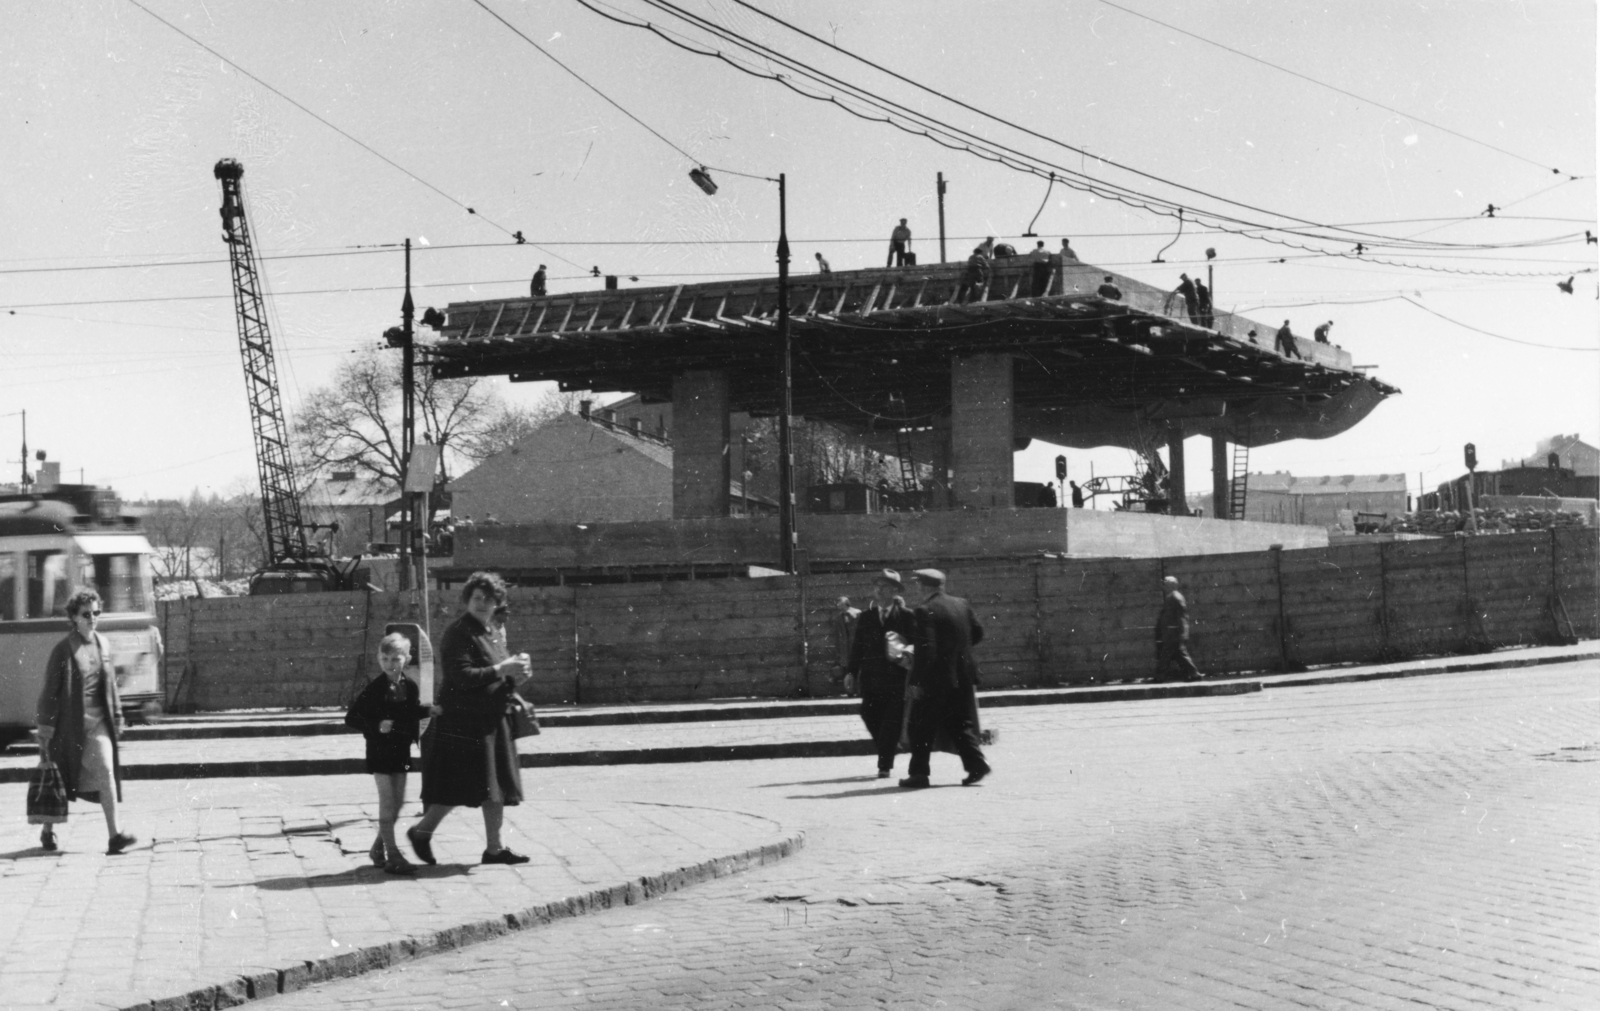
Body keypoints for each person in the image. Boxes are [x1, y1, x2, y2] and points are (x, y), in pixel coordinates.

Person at [409, 571, 533, 866]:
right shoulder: (458, 633)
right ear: (467, 599)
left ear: (497, 603)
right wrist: (504, 667)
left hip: (491, 719)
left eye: (489, 599)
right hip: (463, 721)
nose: (482, 603)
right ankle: (421, 832)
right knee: (457, 787)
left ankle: (494, 849)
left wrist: (519, 676)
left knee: (496, 787)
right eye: (477, 598)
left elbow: (498, 676)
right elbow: (461, 677)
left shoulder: (489, 632)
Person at [34, 588, 136, 855]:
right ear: (74, 617)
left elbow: (110, 685)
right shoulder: (63, 650)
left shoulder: (103, 644)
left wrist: (118, 716)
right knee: (58, 779)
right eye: (86, 614)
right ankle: (46, 830)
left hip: (98, 724)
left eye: (96, 612)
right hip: (69, 730)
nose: (93, 618)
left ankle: (115, 836)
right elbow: (49, 692)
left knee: (105, 771)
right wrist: (44, 731)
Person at [346, 633, 441, 875]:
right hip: (379, 752)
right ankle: (393, 855)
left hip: (401, 752)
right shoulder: (374, 688)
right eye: (385, 658)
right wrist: (377, 725)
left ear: (407, 659)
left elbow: (409, 712)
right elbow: (353, 717)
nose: (390, 664)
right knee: (387, 804)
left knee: (398, 804)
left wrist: (429, 711)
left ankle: (377, 848)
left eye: (396, 659)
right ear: (379, 659)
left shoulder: (409, 686)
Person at [900, 569, 990, 789]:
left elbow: (927, 651)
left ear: (924, 587)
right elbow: (977, 633)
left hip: (935, 680)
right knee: (959, 723)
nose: (917, 589)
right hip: (962, 677)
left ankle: (919, 774)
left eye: (918, 585)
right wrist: (956, 653)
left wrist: (915, 683)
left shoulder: (924, 610)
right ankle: (976, 763)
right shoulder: (961, 604)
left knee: (919, 726)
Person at [845, 571, 918, 779]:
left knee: (891, 721)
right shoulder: (866, 617)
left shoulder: (906, 616)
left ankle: (884, 764)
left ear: (894, 591)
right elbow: (857, 647)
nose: (878, 590)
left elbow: (915, 644)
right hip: (870, 680)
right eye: (876, 586)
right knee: (868, 715)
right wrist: (851, 671)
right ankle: (889, 747)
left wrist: (908, 654)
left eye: (883, 586)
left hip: (897, 680)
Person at [1153, 576, 1202, 682]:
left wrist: (1179, 632)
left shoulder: (1174, 597)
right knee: (1180, 655)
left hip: (1174, 633)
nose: (1164, 586)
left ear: (1173, 585)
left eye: (1166, 584)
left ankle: (1159, 677)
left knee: (1166, 655)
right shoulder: (1173, 596)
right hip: (1174, 632)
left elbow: (1180, 617)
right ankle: (1193, 674)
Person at [831, 596, 860, 688]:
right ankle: (849, 690)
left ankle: (859, 689)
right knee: (847, 668)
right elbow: (837, 634)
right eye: (838, 604)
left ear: (847, 604)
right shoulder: (838, 618)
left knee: (859, 667)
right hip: (845, 648)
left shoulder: (858, 614)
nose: (839, 606)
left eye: (841, 604)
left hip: (856, 645)